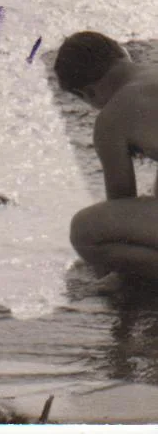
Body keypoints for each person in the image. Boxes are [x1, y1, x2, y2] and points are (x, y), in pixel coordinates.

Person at [55, 31, 158, 283]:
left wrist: (113, 266)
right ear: (123, 54)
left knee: (85, 230)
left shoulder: (111, 118)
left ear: (87, 94)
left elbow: (121, 202)